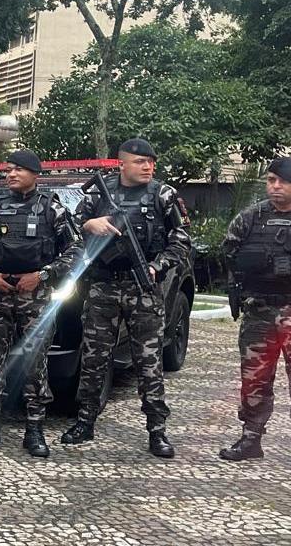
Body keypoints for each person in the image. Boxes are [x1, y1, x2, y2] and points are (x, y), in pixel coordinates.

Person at [62, 138, 191, 458]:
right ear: (122, 164)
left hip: (143, 290)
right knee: (93, 359)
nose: (148, 167)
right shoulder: (98, 193)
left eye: (151, 162)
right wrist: (91, 223)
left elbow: (183, 241)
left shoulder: (164, 195)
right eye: (140, 161)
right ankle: (85, 420)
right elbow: (75, 226)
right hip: (103, 287)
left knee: (149, 363)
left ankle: (157, 430)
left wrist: (155, 266)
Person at [0, 150, 83, 457]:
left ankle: (34, 428)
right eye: (8, 170)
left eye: (18, 170)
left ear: (34, 174)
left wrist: (42, 275)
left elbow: (75, 251)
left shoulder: (51, 211)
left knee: (35, 363)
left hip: (35, 299)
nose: (11, 175)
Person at [218, 156, 291, 473]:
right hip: (259, 313)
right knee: (253, 380)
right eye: (270, 180)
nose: (275, 187)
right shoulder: (250, 218)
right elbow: (229, 253)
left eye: (282, 181)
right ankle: (250, 440)